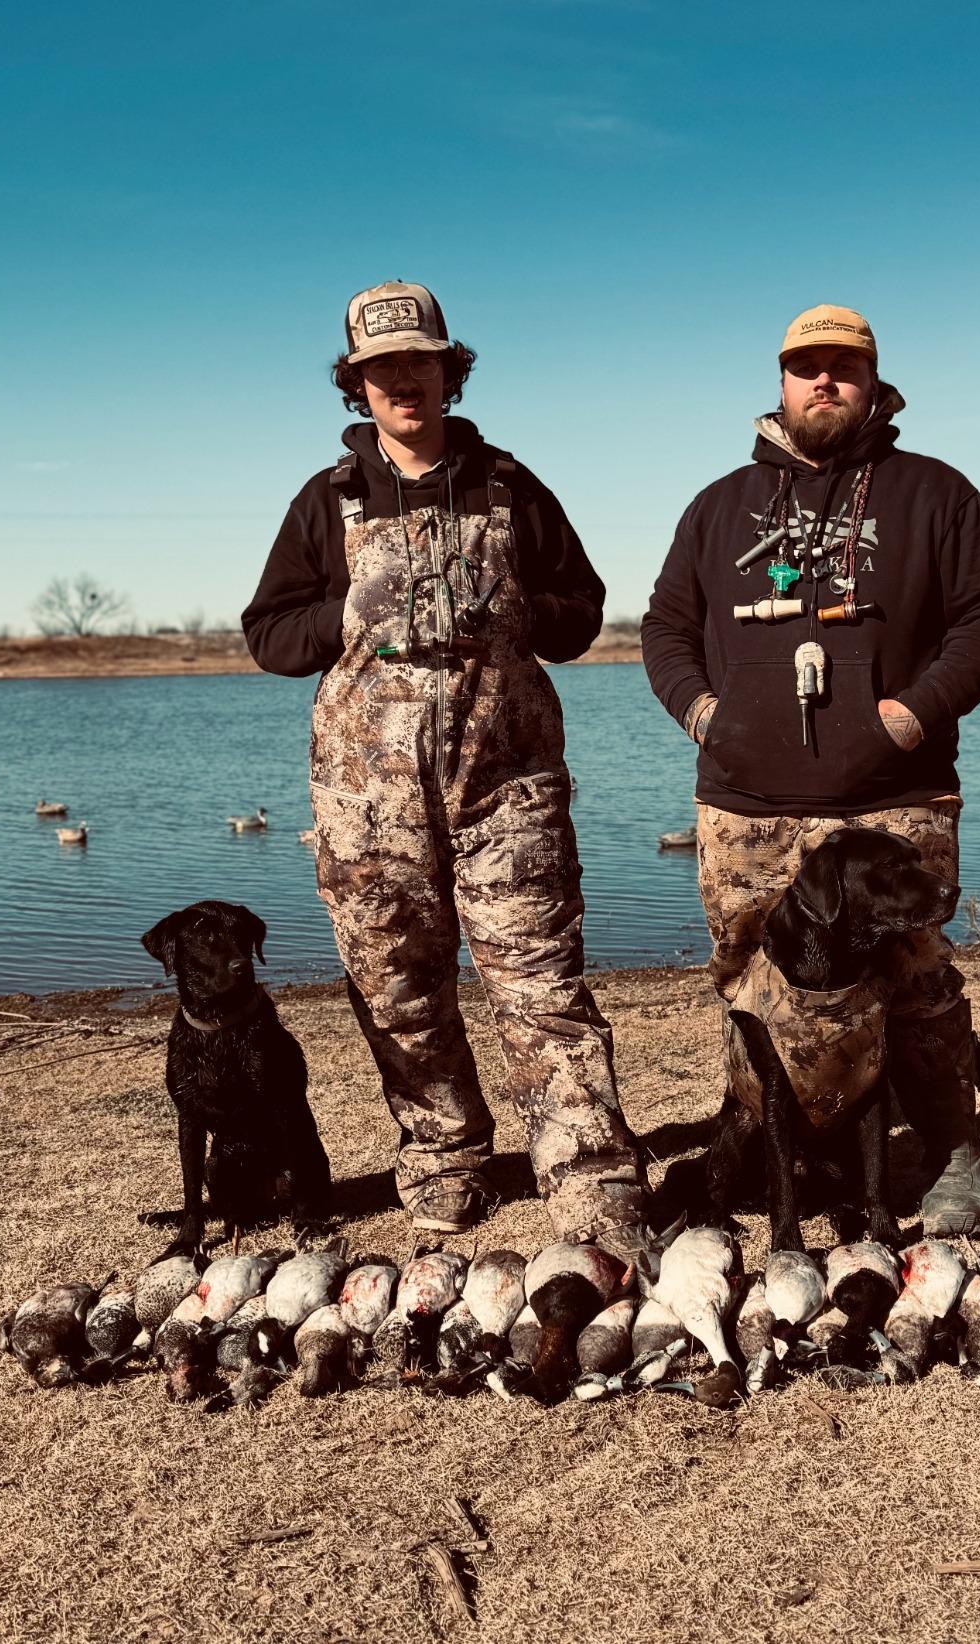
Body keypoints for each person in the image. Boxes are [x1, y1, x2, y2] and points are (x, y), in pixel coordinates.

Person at [243, 280, 647, 1250]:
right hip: (368, 803)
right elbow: (268, 635)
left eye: (419, 362)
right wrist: (346, 614)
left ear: (447, 371)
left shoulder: (509, 484)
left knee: (541, 987)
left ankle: (589, 1173)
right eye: (382, 368)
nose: (402, 382)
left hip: (507, 788)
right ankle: (444, 1155)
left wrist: (519, 609)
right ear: (358, 383)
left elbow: (583, 612)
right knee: (397, 991)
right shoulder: (326, 499)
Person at [640, 303, 980, 1237]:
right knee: (748, 981)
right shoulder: (719, 507)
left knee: (916, 975)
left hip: (895, 797)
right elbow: (665, 629)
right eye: (806, 366)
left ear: (873, 380)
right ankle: (765, 1152)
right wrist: (706, 715)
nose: (824, 381)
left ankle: (952, 1157)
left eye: (843, 367)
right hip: (746, 805)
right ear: (780, 380)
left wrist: (912, 713)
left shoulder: (934, 494)